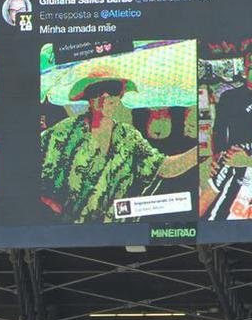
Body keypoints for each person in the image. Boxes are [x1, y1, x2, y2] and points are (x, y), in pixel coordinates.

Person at [38, 70, 197, 223]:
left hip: (117, 232)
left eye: (112, 89)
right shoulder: (63, 133)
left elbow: (164, 168)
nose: (105, 96)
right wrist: (48, 205)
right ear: (88, 98)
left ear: (120, 95)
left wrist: (201, 151)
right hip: (73, 233)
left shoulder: (129, 136)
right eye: (97, 90)